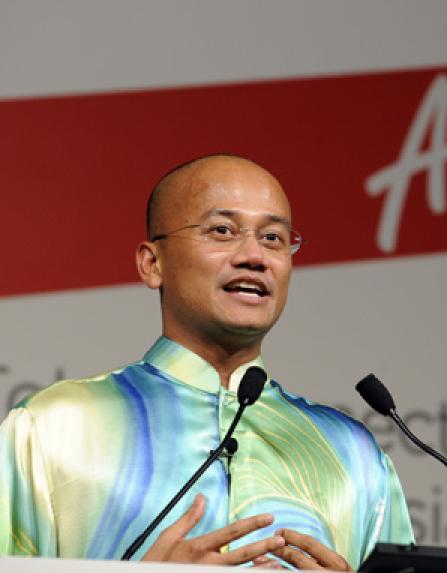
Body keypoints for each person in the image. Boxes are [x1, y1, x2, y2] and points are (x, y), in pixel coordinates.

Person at [0, 154, 414, 569]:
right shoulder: (53, 428)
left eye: (273, 238)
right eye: (222, 230)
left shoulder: (355, 457)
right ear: (152, 263)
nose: (254, 255)